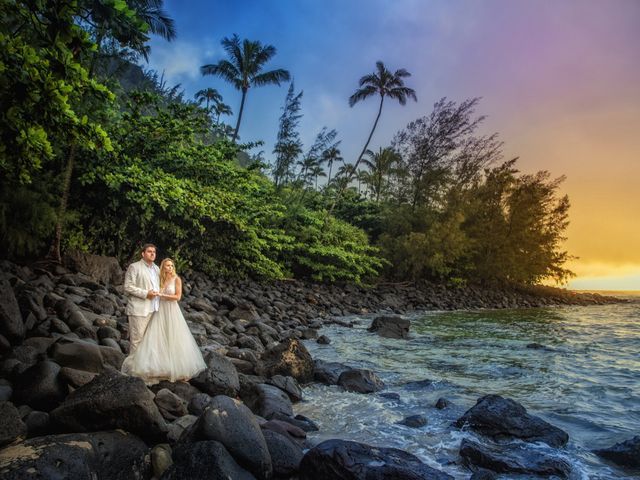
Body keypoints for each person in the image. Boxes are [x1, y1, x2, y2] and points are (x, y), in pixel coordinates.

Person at [121, 258, 207, 384]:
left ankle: (177, 367)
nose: (170, 268)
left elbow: (177, 297)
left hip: (171, 310)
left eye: (171, 266)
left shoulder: (176, 279)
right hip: (159, 310)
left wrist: (162, 296)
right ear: (163, 267)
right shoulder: (159, 278)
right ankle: (158, 366)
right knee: (156, 338)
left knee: (173, 336)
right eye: (167, 266)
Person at [123, 243, 160, 354]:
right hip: (138, 309)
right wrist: (145, 293)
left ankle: (144, 368)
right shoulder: (134, 267)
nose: (152, 254)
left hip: (154, 309)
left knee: (150, 341)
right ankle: (132, 369)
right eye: (149, 251)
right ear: (143, 254)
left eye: (154, 252)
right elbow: (127, 287)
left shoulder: (157, 268)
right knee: (137, 341)